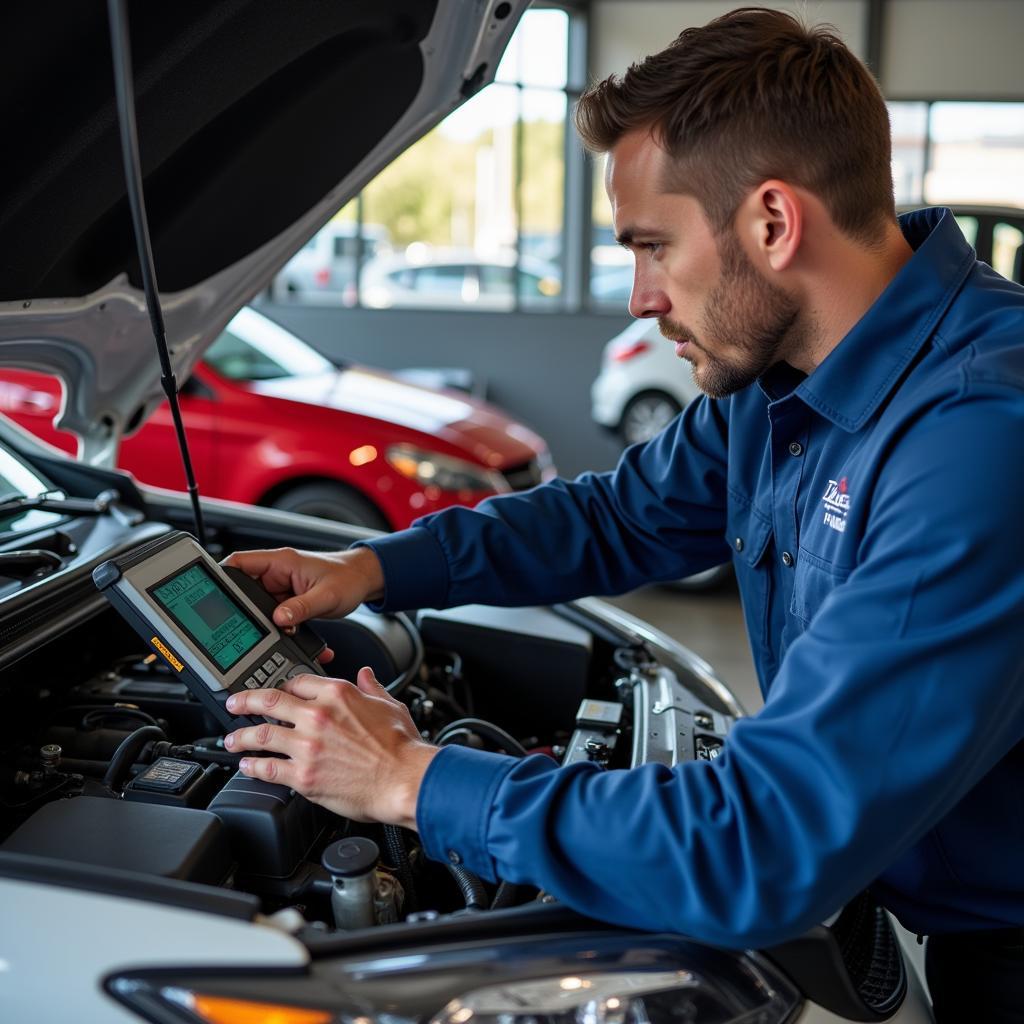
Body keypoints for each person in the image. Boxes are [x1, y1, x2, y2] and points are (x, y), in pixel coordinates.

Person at [222, 9, 1024, 1019]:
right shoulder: (776, 388)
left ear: (773, 224)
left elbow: (761, 847)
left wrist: (410, 779)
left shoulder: (978, 439)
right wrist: (375, 569)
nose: (638, 298)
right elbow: (615, 517)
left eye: (653, 246)